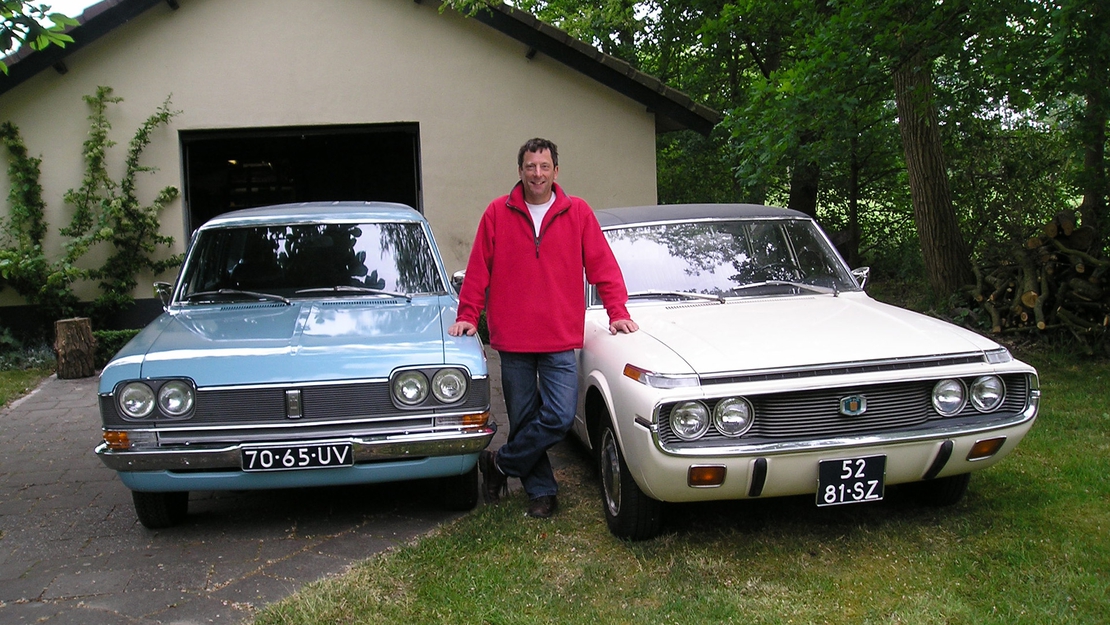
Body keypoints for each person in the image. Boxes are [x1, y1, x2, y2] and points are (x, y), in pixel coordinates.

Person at [448, 138, 638, 518]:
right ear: (520, 171)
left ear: (556, 171)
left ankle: (500, 464)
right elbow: (479, 268)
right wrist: (468, 315)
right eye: (530, 167)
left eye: (544, 167)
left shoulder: (578, 212)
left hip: (558, 336)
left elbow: (602, 265)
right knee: (522, 418)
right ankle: (541, 492)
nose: (537, 174)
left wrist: (617, 310)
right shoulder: (497, 213)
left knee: (560, 415)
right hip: (513, 338)